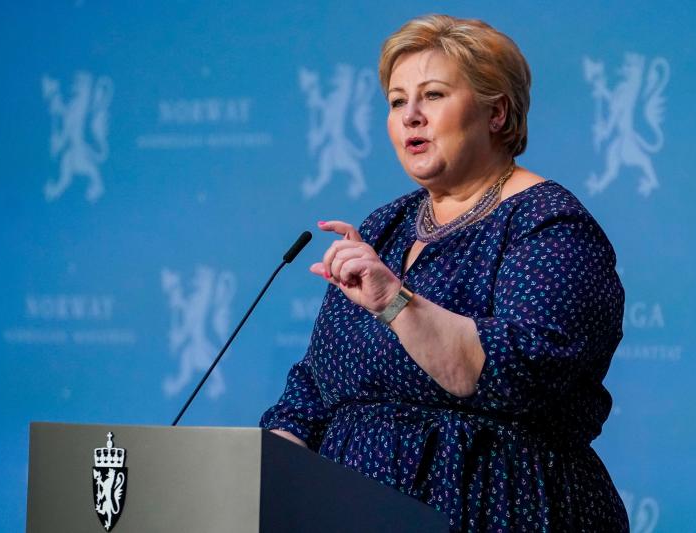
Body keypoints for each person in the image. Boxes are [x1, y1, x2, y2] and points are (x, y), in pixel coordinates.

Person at [261, 14, 629, 532]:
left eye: (433, 95)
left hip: (495, 508)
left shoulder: (548, 224)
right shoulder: (384, 226)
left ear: (496, 112)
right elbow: (316, 385)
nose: (411, 116)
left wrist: (396, 303)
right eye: (396, 102)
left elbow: (516, 373)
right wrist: (267, 468)